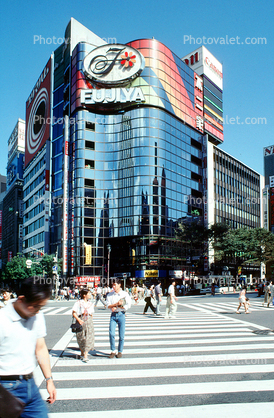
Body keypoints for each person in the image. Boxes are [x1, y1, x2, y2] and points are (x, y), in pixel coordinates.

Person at [0, 276, 56, 417]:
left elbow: (41, 348)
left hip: (30, 384)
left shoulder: (37, 316)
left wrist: (49, 380)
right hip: (6, 387)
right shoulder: (2, 320)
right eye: (36, 306)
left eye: (41, 307)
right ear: (21, 299)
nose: (37, 311)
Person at [106, 279, 131, 358]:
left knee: (121, 335)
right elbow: (108, 305)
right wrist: (114, 306)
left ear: (119, 285)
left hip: (121, 314)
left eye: (115, 285)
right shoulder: (110, 295)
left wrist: (122, 307)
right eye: (112, 285)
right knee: (111, 333)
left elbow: (129, 304)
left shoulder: (124, 294)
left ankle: (120, 351)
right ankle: (113, 350)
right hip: (113, 315)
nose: (113, 286)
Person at [72, 288, 95, 362]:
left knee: (89, 337)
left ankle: (85, 354)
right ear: (84, 295)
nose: (90, 295)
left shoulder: (90, 303)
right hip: (80, 320)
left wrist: (90, 321)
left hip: (88, 321)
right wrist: (79, 320)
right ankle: (82, 352)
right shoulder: (78, 303)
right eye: (88, 293)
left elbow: (91, 314)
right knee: (81, 337)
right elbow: (74, 312)